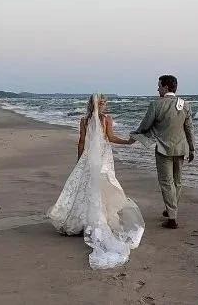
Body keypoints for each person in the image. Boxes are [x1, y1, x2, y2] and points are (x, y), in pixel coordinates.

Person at [47, 93, 144, 269]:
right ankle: (100, 219)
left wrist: (79, 160)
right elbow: (111, 138)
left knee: (85, 188)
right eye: (104, 102)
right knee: (104, 185)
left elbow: (82, 141)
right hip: (103, 157)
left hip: (88, 158)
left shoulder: (84, 120)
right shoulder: (106, 119)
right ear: (99, 104)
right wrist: (128, 142)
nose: (106, 104)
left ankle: (83, 221)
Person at [133, 75, 195, 229]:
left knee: (166, 182)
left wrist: (136, 134)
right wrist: (192, 148)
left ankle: (172, 217)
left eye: (159, 86)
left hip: (163, 149)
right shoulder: (185, 105)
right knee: (177, 181)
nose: (157, 88)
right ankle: (171, 208)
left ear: (166, 87)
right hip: (181, 148)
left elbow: (145, 125)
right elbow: (189, 129)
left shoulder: (156, 105)